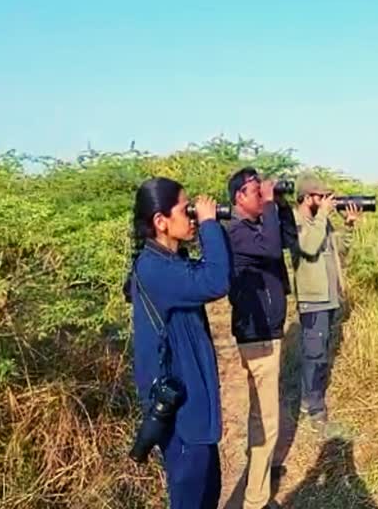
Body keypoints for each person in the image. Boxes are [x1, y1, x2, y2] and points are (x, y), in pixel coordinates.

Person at [124, 177, 230, 509]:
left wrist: (212, 226)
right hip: (183, 414)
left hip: (195, 406)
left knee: (208, 492)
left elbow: (213, 271)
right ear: (161, 222)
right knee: (191, 498)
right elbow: (216, 280)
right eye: (186, 210)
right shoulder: (155, 269)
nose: (194, 216)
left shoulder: (171, 260)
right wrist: (210, 224)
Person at [225, 167, 297, 509]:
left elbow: (286, 241)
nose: (261, 195)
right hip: (258, 336)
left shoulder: (256, 226)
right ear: (239, 197)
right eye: (256, 191)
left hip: (265, 332)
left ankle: (257, 487)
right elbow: (271, 250)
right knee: (267, 421)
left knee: (261, 416)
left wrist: (279, 206)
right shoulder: (237, 231)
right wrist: (269, 204)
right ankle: (255, 501)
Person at [291, 173, 361, 434]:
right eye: (321, 196)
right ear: (308, 197)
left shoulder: (322, 222)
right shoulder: (296, 222)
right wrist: (322, 215)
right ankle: (314, 409)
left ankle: (310, 400)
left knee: (319, 352)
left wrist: (350, 226)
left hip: (329, 297)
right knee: (314, 354)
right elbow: (308, 247)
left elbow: (340, 250)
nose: (327, 201)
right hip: (313, 300)